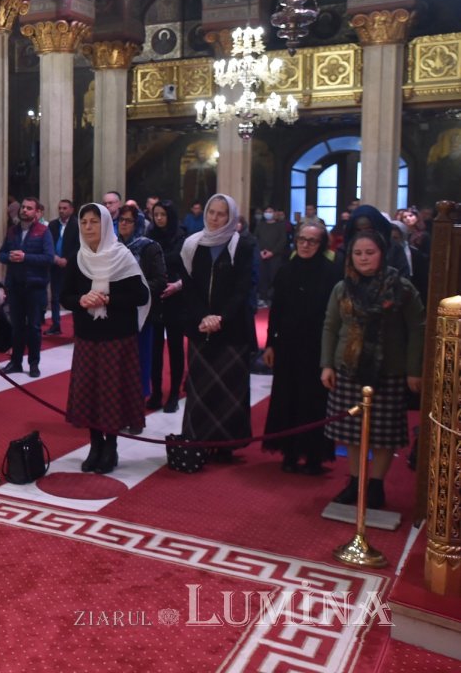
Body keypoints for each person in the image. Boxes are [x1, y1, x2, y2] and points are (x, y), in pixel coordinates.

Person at [321, 230, 423, 509]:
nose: (364, 258)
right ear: (350, 256)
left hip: (388, 370)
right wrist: (326, 364)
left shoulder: (401, 288)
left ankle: (376, 485)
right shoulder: (342, 288)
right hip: (349, 368)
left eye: (370, 252)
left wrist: (415, 369)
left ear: (382, 253)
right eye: (358, 253)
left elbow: (417, 329)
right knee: (353, 432)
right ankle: (355, 482)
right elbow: (331, 326)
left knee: (383, 433)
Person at [60, 204, 150, 475]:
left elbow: (141, 296)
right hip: (88, 337)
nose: (88, 227)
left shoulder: (122, 256)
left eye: (94, 222)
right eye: (84, 222)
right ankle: (94, 445)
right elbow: (65, 296)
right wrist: (82, 300)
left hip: (117, 337)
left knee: (111, 395)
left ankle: (110, 447)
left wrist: (109, 300)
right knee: (90, 394)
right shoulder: (78, 257)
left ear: (106, 225)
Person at [180, 193, 256, 462]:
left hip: (232, 329)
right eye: (212, 212)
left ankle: (226, 444)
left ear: (231, 217)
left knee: (229, 389)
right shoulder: (192, 244)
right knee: (201, 388)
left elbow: (242, 289)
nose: (215, 218)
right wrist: (204, 317)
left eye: (221, 214)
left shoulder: (243, 246)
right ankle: (200, 438)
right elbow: (189, 287)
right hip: (201, 328)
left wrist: (220, 318)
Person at [261, 220, 341, 475]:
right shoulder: (286, 271)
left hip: (317, 347)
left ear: (321, 244)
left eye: (312, 241)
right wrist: (270, 343)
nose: (306, 245)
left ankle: (315, 456)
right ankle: (290, 453)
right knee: (288, 398)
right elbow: (277, 310)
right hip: (288, 345)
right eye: (302, 240)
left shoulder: (331, 273)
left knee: (315, 401)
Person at [117, 204, 166, 428]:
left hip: (143, 315)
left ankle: (136, 416)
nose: (123, 224)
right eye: (121, 220)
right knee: (119, 368)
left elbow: (160, 280)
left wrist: (136, 290)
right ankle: (118, 412)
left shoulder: (149, 247)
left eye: (128, 221)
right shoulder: (114, 247)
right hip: (118, 314)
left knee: (140, 365)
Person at [0, 197, 55, 377]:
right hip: (15, 286)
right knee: (17, 327)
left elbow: (49, 258)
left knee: (35, 328)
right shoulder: (12, 231)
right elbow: (1, 254)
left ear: (36, 212)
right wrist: (9, 257)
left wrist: (25, 257)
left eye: (29, 208)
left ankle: (34, 363)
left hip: (35, 287)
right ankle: (16, 362)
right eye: (23, 207)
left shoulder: (43, 232)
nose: (24, 211)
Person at [146, 199, 187, 412]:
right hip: (156, 296)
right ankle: (156, 393)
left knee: (175, 347)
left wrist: (177, 285)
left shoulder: (181, 235)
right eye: (156, 215)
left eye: (163, 215)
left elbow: (182, 262)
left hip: (176, 297)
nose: (159, 218)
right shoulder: (151, 235)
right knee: (155, 349)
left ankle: (173, 394)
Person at [46, 199, 76, 335]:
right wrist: (55, 258)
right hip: (55, 264)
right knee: (55, 296)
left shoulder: (77, 225)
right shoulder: (52, 225)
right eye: (60, 208)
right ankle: (56, 324)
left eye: (65, 208)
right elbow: (48, 243)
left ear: (71, 209)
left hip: (71, 266)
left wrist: (67, 259)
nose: (62, 211)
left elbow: (79, 245)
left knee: (74, 295)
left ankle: (77, 327)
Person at [255, 205, 289, 306]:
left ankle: (273, 298)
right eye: (266, 211)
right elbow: (255, 239)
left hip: (275, 256)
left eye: (270, 211)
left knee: (274, 277)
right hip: (261, 255)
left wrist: (272, 252)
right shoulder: (260, 225)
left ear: (274, 213)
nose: (268, 213)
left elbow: (283, 241)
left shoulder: (280, 225)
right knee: (262, 277)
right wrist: (260, 251)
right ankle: (262, 297)